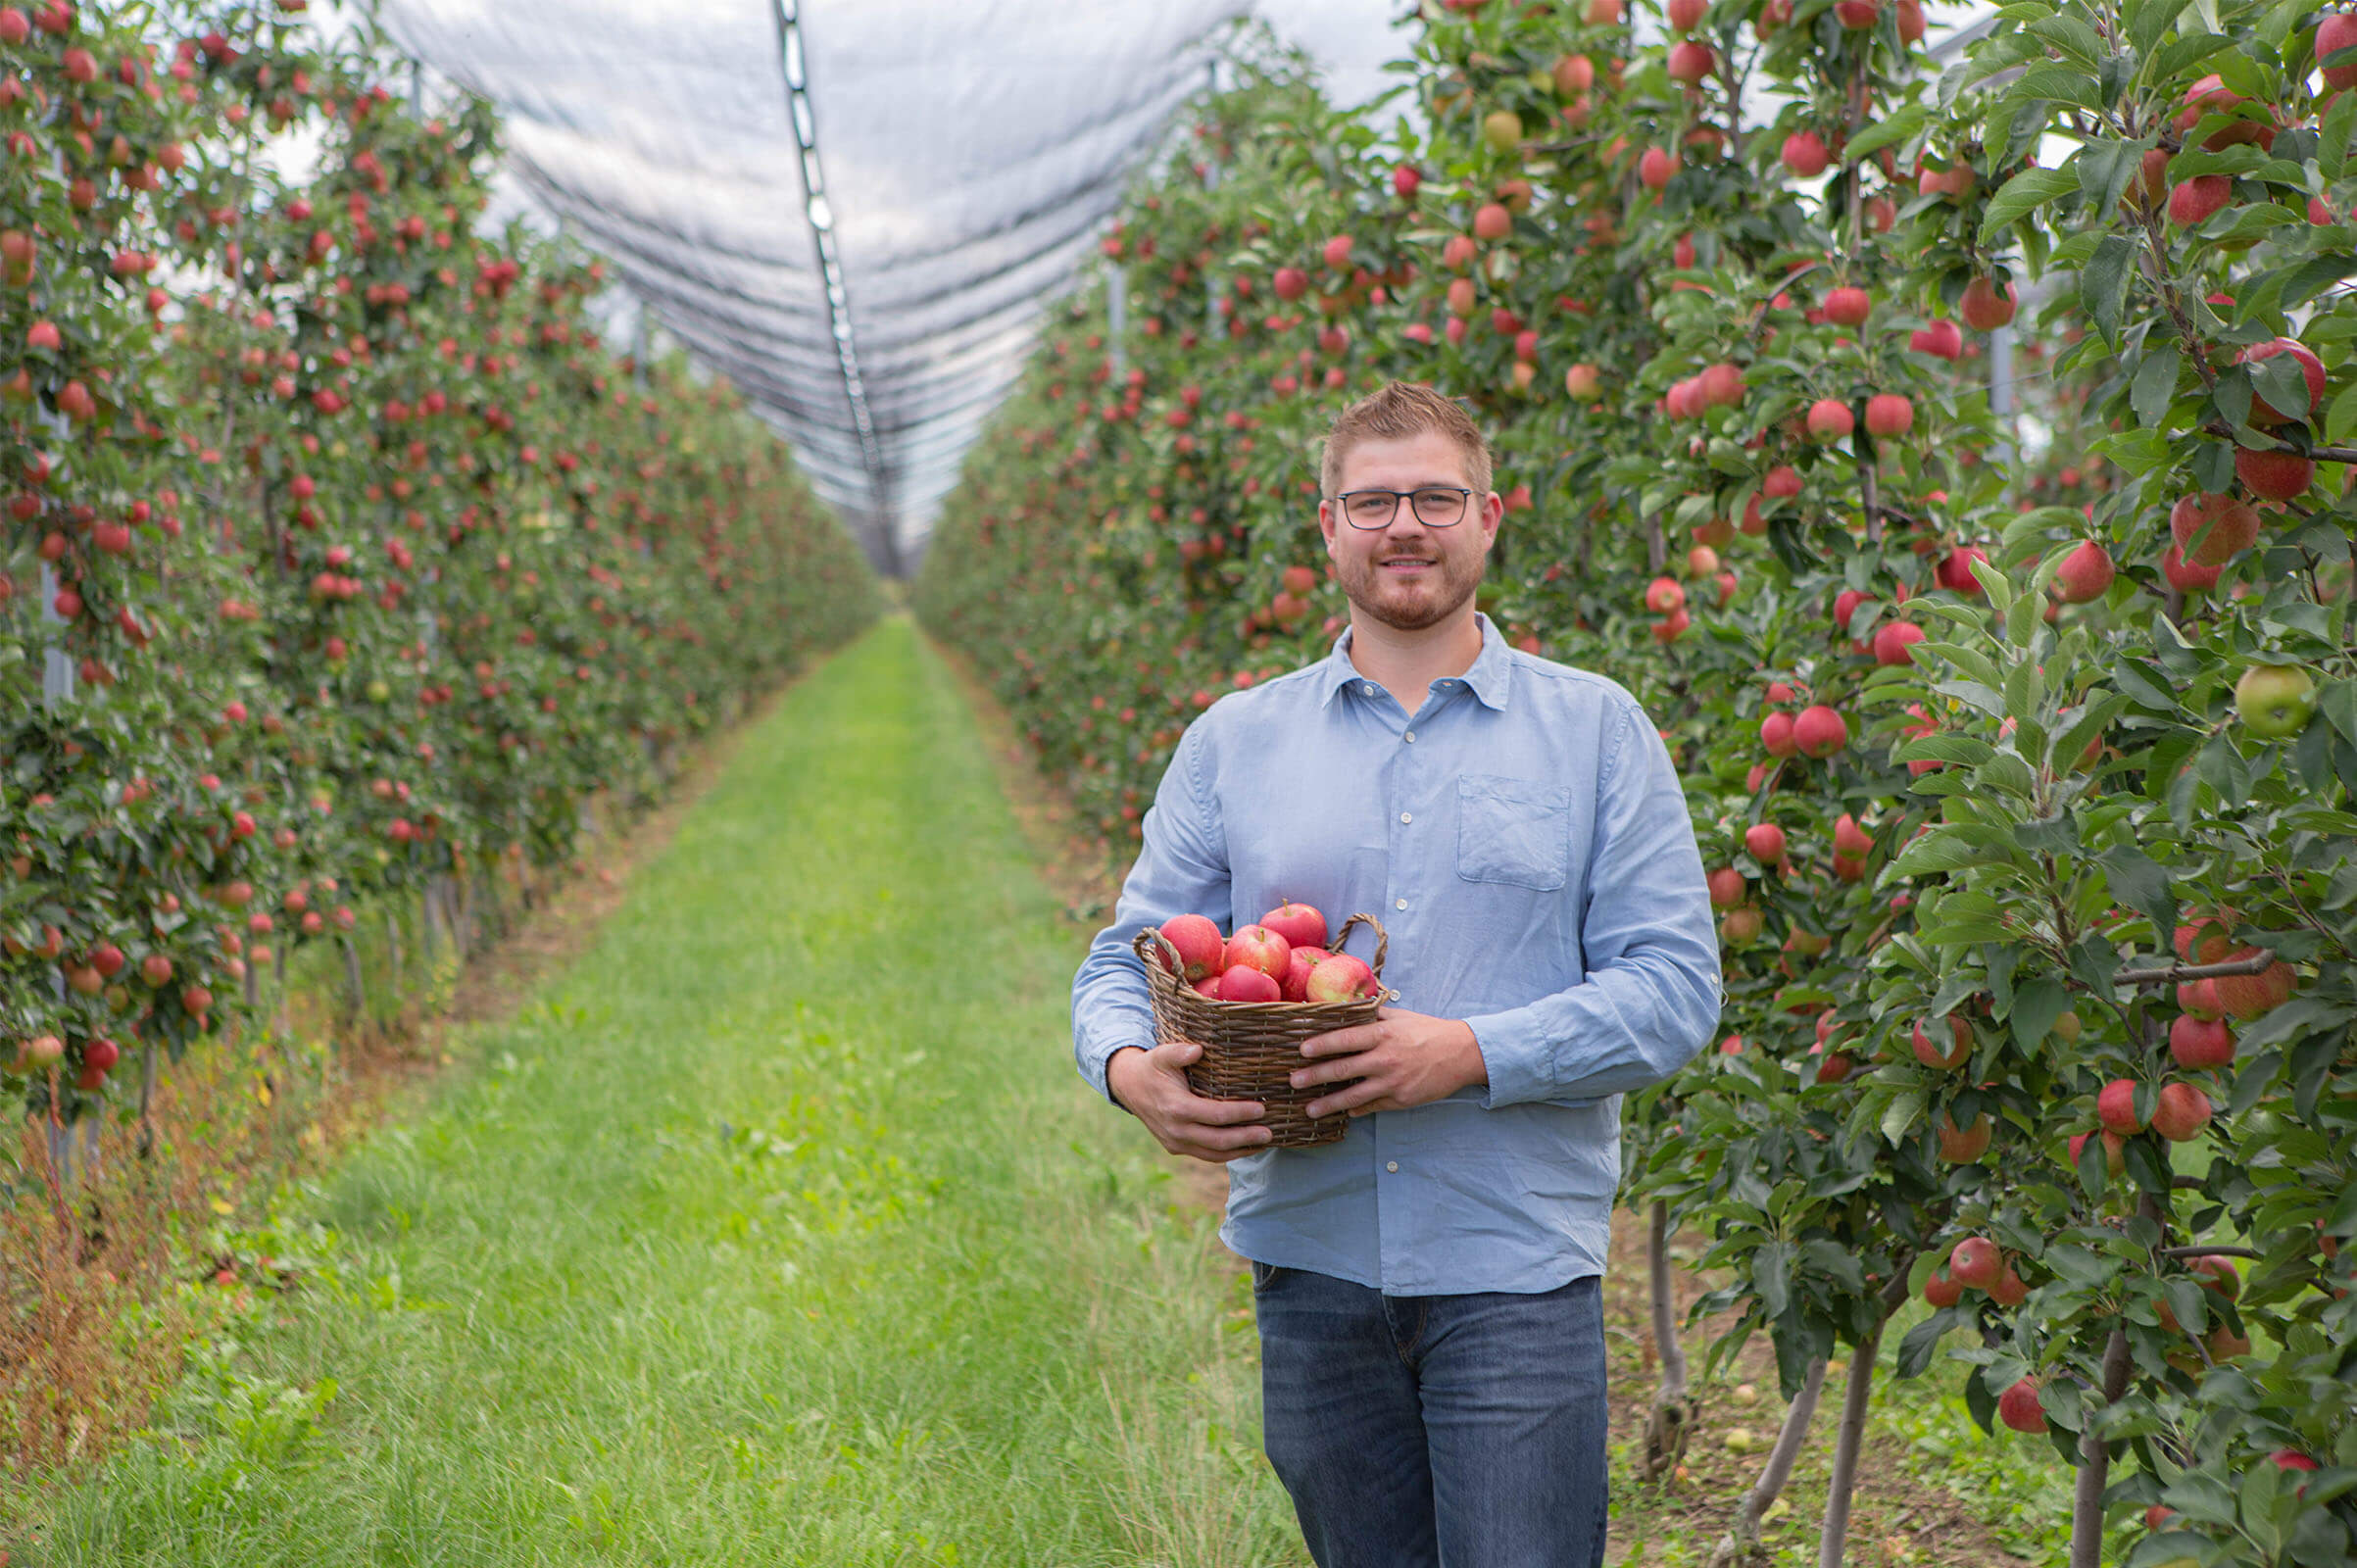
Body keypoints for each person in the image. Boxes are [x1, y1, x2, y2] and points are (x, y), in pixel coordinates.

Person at [1068, 379, 1720, 1568]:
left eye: (1433, 497)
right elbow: (1128, 956)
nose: (1403, 526)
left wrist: (1465, 1053)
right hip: (1311, 1268)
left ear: (1487, 515)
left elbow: (1674, 987)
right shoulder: (1237, 740)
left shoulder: (1596, 732)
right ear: (1327, 526)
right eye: (1372, 502)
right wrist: (1126, 1070)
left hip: (1513, 1269)